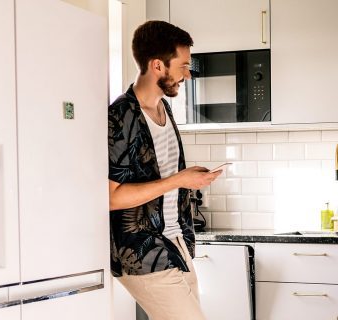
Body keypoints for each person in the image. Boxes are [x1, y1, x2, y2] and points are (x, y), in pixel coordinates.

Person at [108, 20, 221, 320]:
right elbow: (113, 197)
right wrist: (178, 180)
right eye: (182, 65)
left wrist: (189, 178)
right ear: (157, 65)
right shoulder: (121, 116)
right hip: (141, 249)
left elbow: (163, 177)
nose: (187, 73)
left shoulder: (164, 108)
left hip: (175, 241)